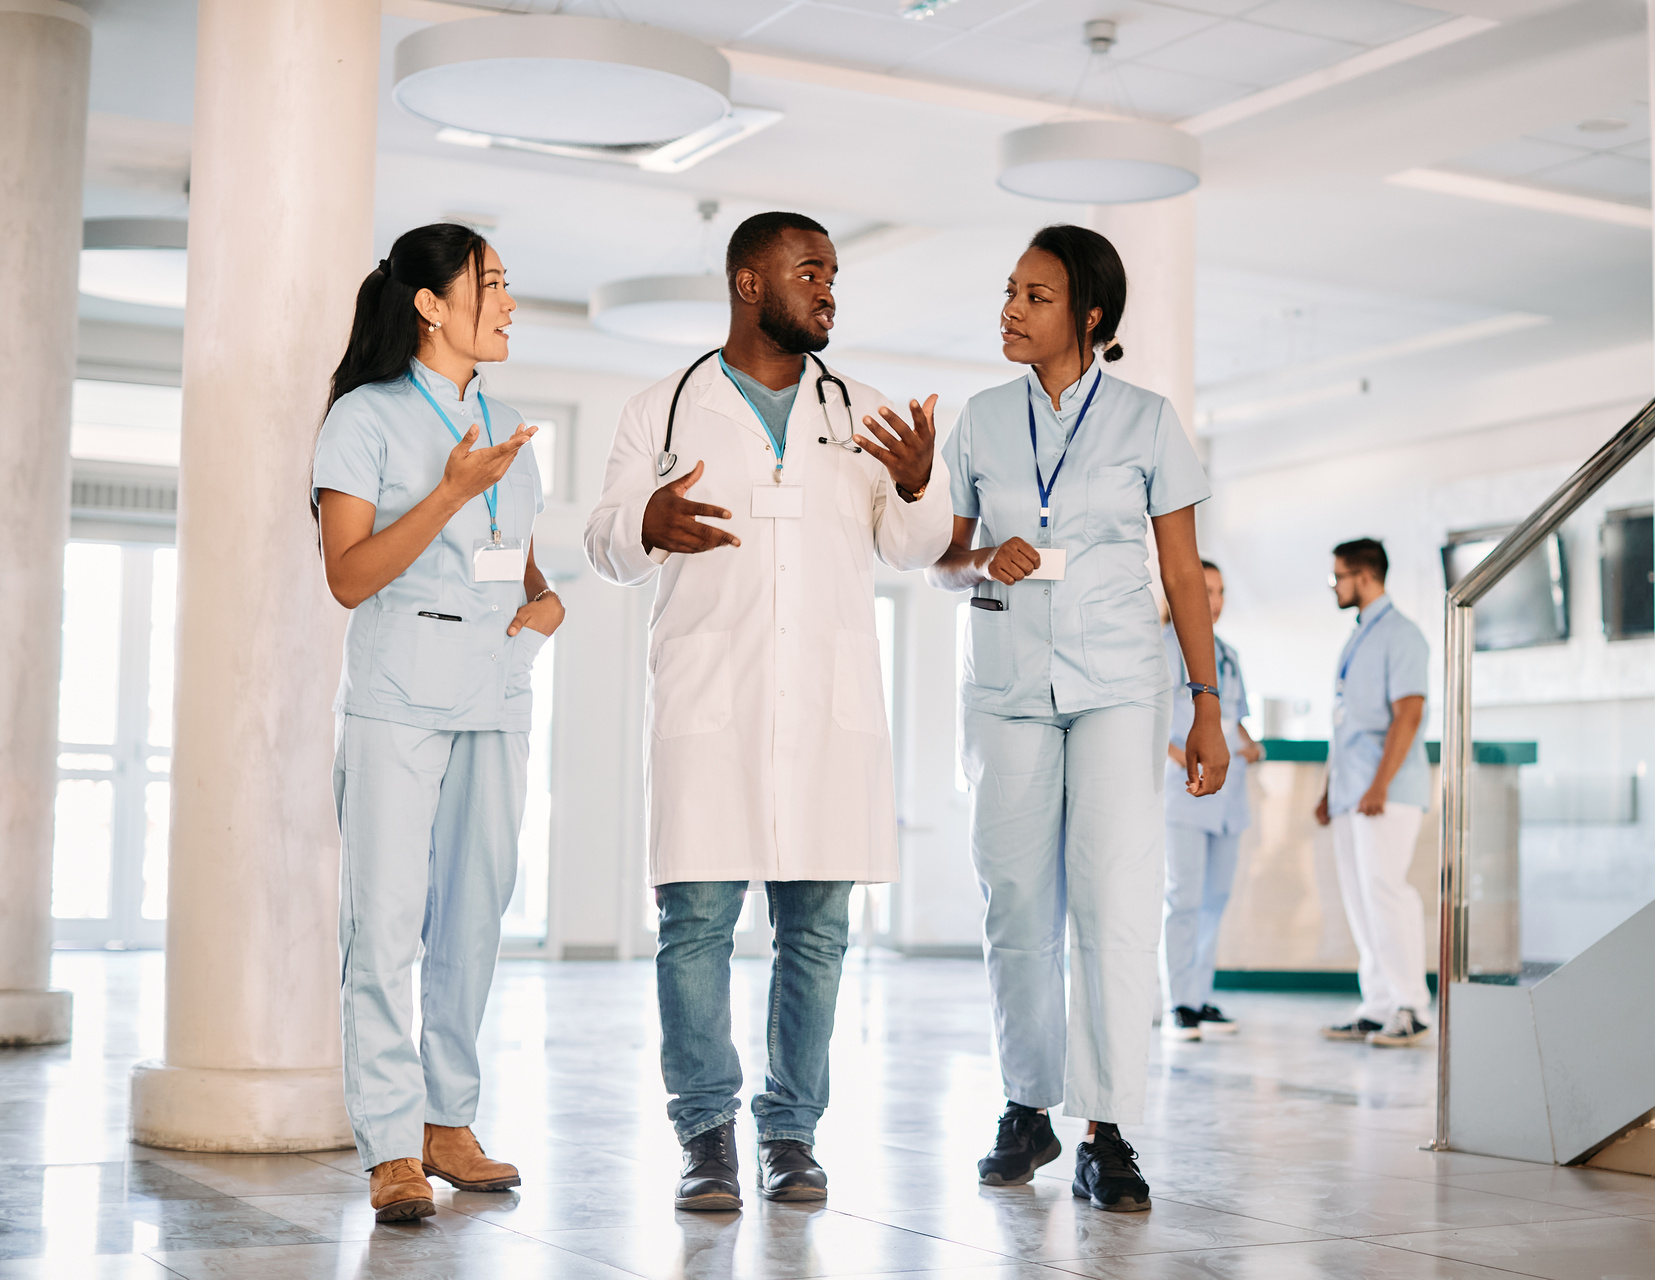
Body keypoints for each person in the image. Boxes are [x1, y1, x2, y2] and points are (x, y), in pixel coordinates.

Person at [583, 211, 951, 1211]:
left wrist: (918, 483)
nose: (829, 288)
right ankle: (707, 1133)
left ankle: (791, 1132)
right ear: (750, 281)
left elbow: (915, 547)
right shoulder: (662, 408)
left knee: (817, 928)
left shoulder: (863, 411)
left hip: (827, 711)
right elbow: (604, 543)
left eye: (833, 272)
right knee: (696, 921)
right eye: (809, 269)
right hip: (712, 694)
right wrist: (640, 522)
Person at [929, 224, 1229, 1213]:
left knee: (1113, 900)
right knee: (1014, 899)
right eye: (1010, 290)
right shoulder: (978, 419)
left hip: (1115, 685)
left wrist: (1207, 704)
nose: (1011, 309)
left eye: (1036, 295)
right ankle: (1028, 1102)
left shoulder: (1147, 421)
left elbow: (1180, 573)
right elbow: (945, 557)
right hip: (1008, 679)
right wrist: (984, 559)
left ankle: (1108, 1128)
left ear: (1090, 316)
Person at [313, 223, 562, 1222]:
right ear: (429, 304)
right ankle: (388, 1142)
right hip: (399, 697)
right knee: (384, 924)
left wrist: (546, 600)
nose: (506, 303)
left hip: (495, 691)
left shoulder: (509, 421)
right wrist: (450, 489)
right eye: (489, 285)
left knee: (474, 914)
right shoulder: (364, 420)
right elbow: (347, 575)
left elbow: (511, 553)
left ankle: (449, 1120)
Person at [1314, 537, 1432, 1048]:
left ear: (1363, 576)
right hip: (1351, 792)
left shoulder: (1401, 635)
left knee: (1386, 892)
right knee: (1362, 900)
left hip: (1384, 790)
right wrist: (1328, 790)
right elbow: (1347, 723)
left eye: (1337, 577)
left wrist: (1379, 783)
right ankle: (1379, 1002)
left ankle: (1411, 1006)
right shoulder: (1360, 635)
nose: (1334, 587)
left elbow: (1408, 713)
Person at [1160, 560, 1264, 1041]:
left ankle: (1200, 997)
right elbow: (1150, 718)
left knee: (1214, 899)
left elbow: (1232, 719)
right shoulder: (1162, 646)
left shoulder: (1227, 654)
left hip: (1228, 793)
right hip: (1185, 791)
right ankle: (1178, 1001)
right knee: (1183, 897)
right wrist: (1184, 758)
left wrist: (1249, 742)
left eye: (1220, 592)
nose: (1214, 601)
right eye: (1205, 590)